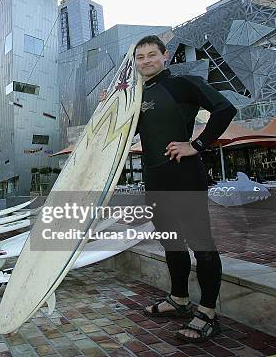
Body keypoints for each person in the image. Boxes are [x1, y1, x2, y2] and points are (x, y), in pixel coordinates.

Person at [101, 35, 236, 342]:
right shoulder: (136, 96)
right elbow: (123, 134)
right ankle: (179, 300)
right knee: (171, 243)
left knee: (201, 244)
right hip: (156, 179)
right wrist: (110, 109)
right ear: (134, 63)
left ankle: (208, 314)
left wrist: (197, 144)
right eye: (140, 57)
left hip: (184, 177)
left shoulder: (183, 84)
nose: (146, 61)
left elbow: (225, 109)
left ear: (164, 56)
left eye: (152, 55)